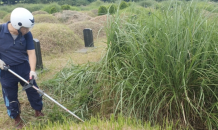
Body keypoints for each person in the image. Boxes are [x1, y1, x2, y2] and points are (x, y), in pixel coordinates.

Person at [0, 7, 44, 129]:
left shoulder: (27, 34)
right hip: (6, 70)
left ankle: (38, 110)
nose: (28, 30)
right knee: (10, 95)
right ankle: (16, 118)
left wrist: (32, 70)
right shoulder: (0, 30)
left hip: (24, 67)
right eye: (26, 28)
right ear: (16, 25)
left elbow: (31, 53)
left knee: (33, 89)